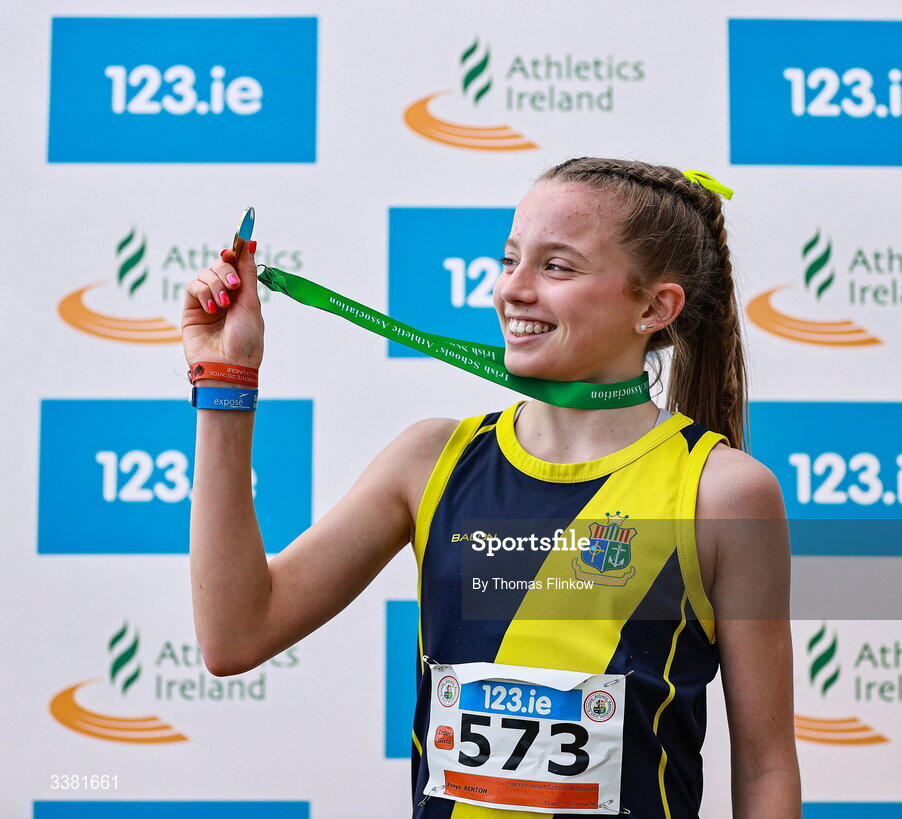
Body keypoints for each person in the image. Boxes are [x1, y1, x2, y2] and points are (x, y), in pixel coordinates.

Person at [182, 157, 801, 818]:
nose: (512, 289)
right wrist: (225, 377)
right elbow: (236, 634)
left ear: (655, 306)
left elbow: (765, 764)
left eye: (556, 266)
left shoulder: (723, 493)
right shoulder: (429, 460)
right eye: (510, 260)